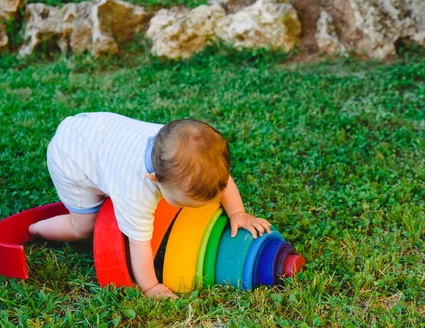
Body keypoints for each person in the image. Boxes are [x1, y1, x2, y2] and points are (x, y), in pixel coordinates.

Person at [29, 112, 271, 300]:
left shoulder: (178, 150)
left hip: (95, 129)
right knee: (84, 226)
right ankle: (35, 230)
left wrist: (237, 213)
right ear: (155, 180)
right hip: (72, 156)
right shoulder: (136, 191)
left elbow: (223, 182)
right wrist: (151, 286)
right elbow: (139, 244)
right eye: (182, 203)